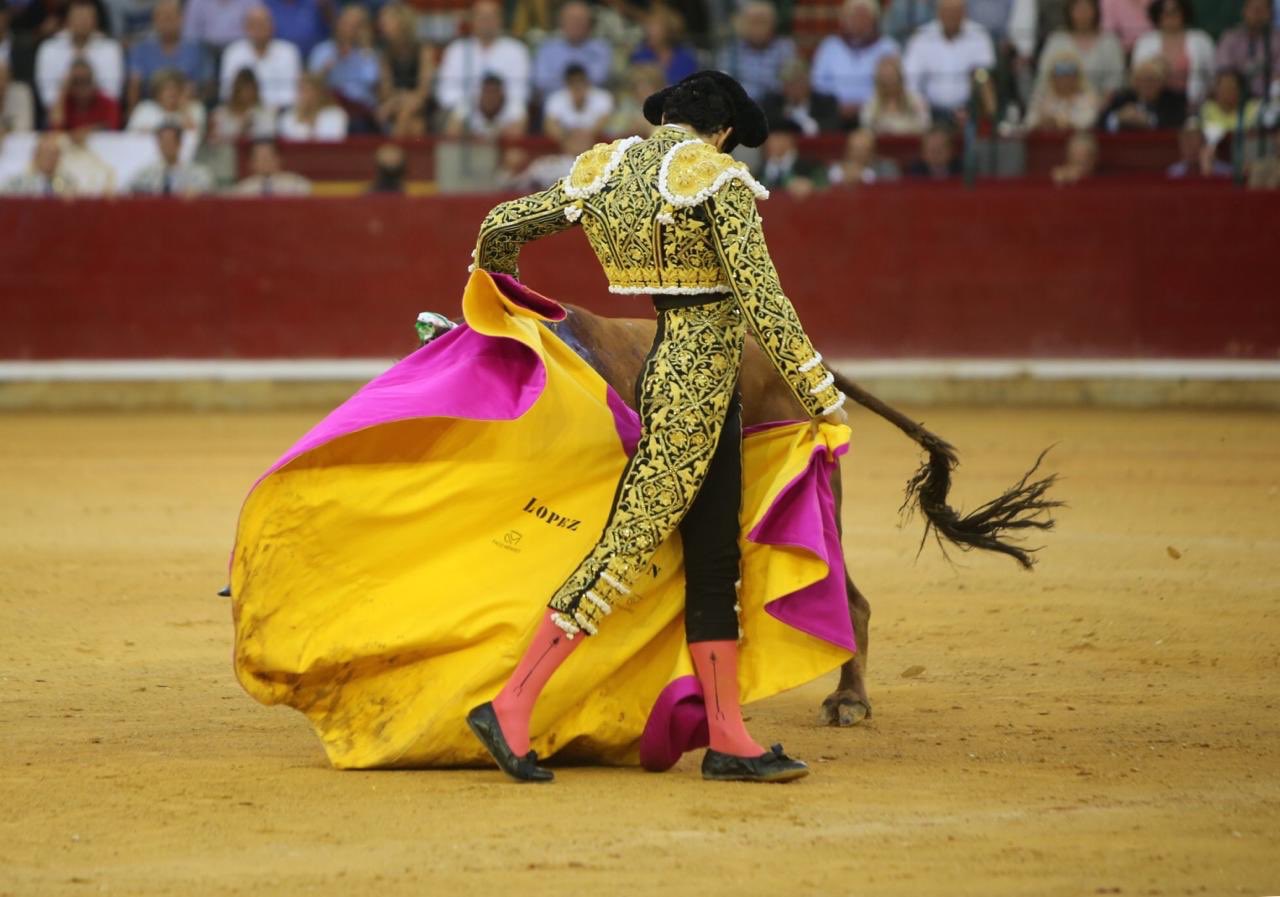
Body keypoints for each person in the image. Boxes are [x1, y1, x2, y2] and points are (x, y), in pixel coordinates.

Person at [460, 70, 846, 783]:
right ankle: (510, 703)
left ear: (667, 113)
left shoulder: (604, 168)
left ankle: (729, 736)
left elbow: (498, 228)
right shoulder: (718, 177)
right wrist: (820, 394)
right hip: (699, 379)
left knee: (713, 559)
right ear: (725, 131)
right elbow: (762, 297)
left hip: (671, 368)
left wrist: (505, 309)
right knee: (627, 544)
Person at [435, 0, 530, 129]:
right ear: (472, 20)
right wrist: (475, 103)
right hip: (466, 109)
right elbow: (445, 91)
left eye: (491, 17)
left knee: (519, 113)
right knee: (455, 117)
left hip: (503, 111)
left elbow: (520, 92)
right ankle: (456, 149)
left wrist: (494, 104)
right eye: (482, 17)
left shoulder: (516, 50)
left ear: (500, 20)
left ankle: (512, 150)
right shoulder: (457, 49)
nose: (487, 22)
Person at [810, 0, 899, 125]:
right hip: (834, 112)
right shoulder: (830, 46)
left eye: (864, 17)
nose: (859, 22)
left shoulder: (887, 47)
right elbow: (818, 83)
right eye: (854, 16)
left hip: (876, 111)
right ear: (844, 20)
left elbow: (895, 84)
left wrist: (865, 105)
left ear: (875, 20)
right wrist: (837, 104)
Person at [903, 0, 996, 118]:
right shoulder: (921, 38)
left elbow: (983, 75)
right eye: (947, 12)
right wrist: (920, 104)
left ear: (964, 13)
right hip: (929, 111)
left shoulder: (979, 35)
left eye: (956, 12)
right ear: (938, 13)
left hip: (968, 111)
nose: (951, 17)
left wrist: (978, 108)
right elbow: (911, 81)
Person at [34, 0, 122, 109]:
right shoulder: (49, 48)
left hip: (99, 112)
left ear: (96, 22)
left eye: (87, 17)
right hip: (60, 112)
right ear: (67, 21)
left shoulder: (110, 49)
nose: (82, 22)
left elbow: (113, 94)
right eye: (78, 17)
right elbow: (47, 96)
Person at [1035, 0, 1126, 102]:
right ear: (1069, 12)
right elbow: (1044, 78)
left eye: (1086, 9)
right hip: (1057, 105)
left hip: (1100, 106)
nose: (1082, 14)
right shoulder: (1056, 40)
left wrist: (1098, 107)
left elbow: (1115, 81)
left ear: (1095, 11)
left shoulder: (1110, 42)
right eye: (1078, 10)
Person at [126, 0, 210, 107]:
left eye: (171, 17)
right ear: (154, 20)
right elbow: (134, 83)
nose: (167, 23)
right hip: (151, 105)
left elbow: (207, 83)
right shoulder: (141, 48)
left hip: (188, 104)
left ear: (181, 19)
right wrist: (134, 112)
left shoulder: (196, 47)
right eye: (163, 18)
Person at [308, 5, 378, 131]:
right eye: (345, 23)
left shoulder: (367, 54)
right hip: (329, 106)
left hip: (359, 110)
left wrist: (365, 50)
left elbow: (371, 80)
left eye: (356, 25)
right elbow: (312, 84)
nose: (348, 29)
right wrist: (328, 67)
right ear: (338, 24)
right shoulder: (322, 51)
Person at [1132, 0, 1216, 104]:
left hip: (1193, 103)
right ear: (1158, 14)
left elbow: (1213, 77)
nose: (1169, 15)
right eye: (1164, 11)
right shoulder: (1145, 41)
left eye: (1174, 11)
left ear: (1183, 13)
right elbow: (1138, 78)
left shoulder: (1201, 40)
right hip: (1156, 103)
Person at [219, 5, 301, 109]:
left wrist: (266, 109)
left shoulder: (289, 52)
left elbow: (292, 93)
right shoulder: (233, 53)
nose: (258, 29)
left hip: (280, 112)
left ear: (272, 26)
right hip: (243, 111)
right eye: (254, 24)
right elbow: (227, 92)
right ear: (245, 27)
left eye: (263, 24)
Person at [716, 0, 795, 103]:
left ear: (773, 25)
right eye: (753, 22)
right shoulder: (730, 52)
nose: (758, 28)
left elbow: (791, 84)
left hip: (776, 107)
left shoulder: (785, 48)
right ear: (742, 25)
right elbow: (723, 85)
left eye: (762, 22)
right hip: (741, 107)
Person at [375, 2, 434, 138]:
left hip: (422, 107)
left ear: (402, 24)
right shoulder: (385, 54)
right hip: (396, 108)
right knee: (415, 127)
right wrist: (397, 102)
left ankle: (392, 152)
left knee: (408, 115)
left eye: (387, 22)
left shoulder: (423, 50)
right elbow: (386, 91)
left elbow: (423, 92)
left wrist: (397, 102)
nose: (382, 26)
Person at [531, 0, 610, 99]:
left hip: (591, 109)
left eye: (581, 19)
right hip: (553, 109)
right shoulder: (547, 49)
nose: (576, 23)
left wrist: (560, 80)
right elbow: (541, 81)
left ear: (589, 23)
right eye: (571, 19)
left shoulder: (600, 49)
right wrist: (577, 84)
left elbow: (599, 79)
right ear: (561, 22)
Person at [1098, 55, 1188, 129]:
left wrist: (1149, 120)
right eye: (1141, 80)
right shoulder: (1123, 97)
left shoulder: (1174, 99)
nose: (1146, 84)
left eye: (1151, 80)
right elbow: (1101, 121)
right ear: (1134, 82)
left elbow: (1177, 123)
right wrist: (1118, 117)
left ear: (1162, 82)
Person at [1215, 0, 1279, 99]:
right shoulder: (1230, 38)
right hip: (1236, 101)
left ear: (1271, 13)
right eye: (1253, 9)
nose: (1257, 14)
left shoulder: (1277, 40)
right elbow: (1224, 72)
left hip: (1270, 101)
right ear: (1244, 10)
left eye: (1262, 9)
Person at [128, 120, 214, 194]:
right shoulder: (147, 174)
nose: (166, 146)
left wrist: (198, 192)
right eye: (163, 142)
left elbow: (208, 187)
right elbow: (130, 190)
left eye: (170, 142)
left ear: (179, 143)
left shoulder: (197, 174)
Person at [761, 58, 841, 135]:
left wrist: (809, 124)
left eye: (799, 82)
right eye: (790, 83)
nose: (795, 88)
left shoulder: (826, 102)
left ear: (808, 82)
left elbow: (833, 125)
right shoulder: (772, 103)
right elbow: (768, 126)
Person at [859, 52, 931, 133]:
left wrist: (895, 129)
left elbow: (924, 124)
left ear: (900, 78)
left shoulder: (916, 99)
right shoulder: (871, 102)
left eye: (891, 77)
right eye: (884, 79)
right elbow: (866, 126)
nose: (888, 82)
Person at [1025, 53, 1100, 129]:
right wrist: (1042, 121)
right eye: (1060, 73)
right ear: (1052, 76)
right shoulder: (1041, 96)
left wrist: (1058, 122)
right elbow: (1029, 121)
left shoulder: (1087, 97)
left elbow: (1087, 121)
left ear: (1077, 77)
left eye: (1069, 73)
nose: (1065, 78)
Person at [126, 68, 206, 138]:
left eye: (176, 88)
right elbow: (130, 136)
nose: (172, 93)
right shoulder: (145, 108)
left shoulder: (194, 109)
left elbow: (196, 138)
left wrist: (183, 109)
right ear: (157, 93)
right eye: (167, 89)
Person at [754, 116, 825, 196]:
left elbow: (825, 187)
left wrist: (812, 186)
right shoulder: (759, 172)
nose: (770, 142)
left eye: (777, 137)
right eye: (768, 138)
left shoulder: (811, 166)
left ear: (790, 139)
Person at [442, 70, 525, 137]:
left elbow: (518, 131)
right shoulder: (468, 102)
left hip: (502, 147)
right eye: (487, 92)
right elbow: (451, 131)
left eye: (494, 92)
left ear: (502, 94)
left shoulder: (514, 105)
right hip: (474, 147)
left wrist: (493, 135)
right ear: (481, 93)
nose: (490, 98)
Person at [629, 5, 698, 85]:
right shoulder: (640, 57)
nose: (649, 32)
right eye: (648, 26)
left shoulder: (686, 59)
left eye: (654, 27)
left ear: (668, 30)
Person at [542, 62, 613, 140]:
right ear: (566, 83)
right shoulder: (555, 99)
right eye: (573, 82)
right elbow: (550, 126)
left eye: (580, 81)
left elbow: (605, 122)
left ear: (587, 81)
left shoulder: (603, 97)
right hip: (566, 144)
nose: (577, 85)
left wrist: (582, 138)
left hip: (594, 143)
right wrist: (568, 139)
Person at [48, 56, 119, 129]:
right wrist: (62, 92)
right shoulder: (63, 103)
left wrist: (86, 131)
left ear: (94, 82)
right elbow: (55, 127)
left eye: (86, 81)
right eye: (76, 82)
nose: (82, 87)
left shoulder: (108, 104)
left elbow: (111, 129)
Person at [209, 65, 274, 141]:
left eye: (250, 89)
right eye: (243, 89)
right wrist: (240, 131)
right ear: (236, 90)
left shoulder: (266, 113)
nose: (246, 94)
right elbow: (213, 142)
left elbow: (269, 140)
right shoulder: (219, 115)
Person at [1, 131, 77, 194]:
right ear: (36, 155)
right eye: (46, 153)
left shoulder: (67, 183)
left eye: (54, 154)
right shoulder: (19, 183)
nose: (50, 158)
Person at [278, 71, 346, 140]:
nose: (301, 95)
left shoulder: (335, 114)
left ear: (319, 93)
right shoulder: (289, 115)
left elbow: (331, 141)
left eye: (306, 90)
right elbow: (288, 140)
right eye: (299, 90)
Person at [602, 60, 663, 137]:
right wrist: (631, 129)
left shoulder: (666, 104)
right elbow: (612, 132)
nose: (641, 92)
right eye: (637, 87)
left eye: (647, 87)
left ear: (657, 87)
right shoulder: (628, 104)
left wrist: (647, 126)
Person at [230, 136, 310, 194]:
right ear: (251, 163)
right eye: (259, 158)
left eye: (268, 156)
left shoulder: (297, 184)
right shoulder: (242, 189)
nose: (265, 161)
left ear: (279, 159)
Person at [827, 126, 901, 184]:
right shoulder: (835, 169)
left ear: (872, 151)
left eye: (863, 149)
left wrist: (865, 178)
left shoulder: (887, 168)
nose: (858, 154)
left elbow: (891, 193)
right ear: (847, 150)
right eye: (854, 149)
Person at [182, 0, 257, 54]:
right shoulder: (196, 2)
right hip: (207, 50)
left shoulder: (250, 2)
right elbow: (190, 35)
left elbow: (259, 28)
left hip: (240, 48)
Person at [1199, 67, 1260, 132]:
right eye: (1223, 88)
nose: (1227, 92)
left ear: (1240, 90)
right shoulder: (1208, 109)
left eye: (1231, 88)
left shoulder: (1253, 109)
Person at [1166, 115, 1232, 176]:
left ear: (1204, 142)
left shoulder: (1226, 173)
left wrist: (1207, 171)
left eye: (1193, 140)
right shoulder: (1173, 173)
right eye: (1185, 142)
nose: (1190, 149)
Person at [1, 58, 35, 132]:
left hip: (15, 141)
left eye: (2, 78)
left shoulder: (21, 91)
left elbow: (24, 127)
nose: (1, 83)